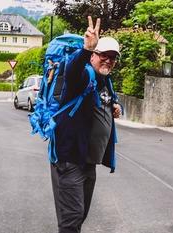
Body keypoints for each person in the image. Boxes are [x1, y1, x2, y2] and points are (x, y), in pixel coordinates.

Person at [50, 16, 122, 233]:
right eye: (103, 55)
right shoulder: (83, 76)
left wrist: (117, 108)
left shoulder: (105, 82)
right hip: (70, 160)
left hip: (89, 163)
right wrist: (85, 49)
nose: (108, 60)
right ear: (93, 57)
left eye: (113, 58)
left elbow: (109, 103)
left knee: (79, 216)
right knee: (71, 219)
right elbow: (72, 73)